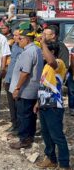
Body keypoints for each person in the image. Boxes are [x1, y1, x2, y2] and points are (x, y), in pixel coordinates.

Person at [34, 41, 70, 169]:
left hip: (54, 106)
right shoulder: (46, 67)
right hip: (44, 105)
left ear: (52, 52)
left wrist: (43, 43)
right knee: (46, 134)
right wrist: (37, 102)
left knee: (57, 136)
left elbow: (52, 62)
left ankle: (64, 164)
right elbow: (43, 86)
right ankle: (51, 159)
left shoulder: (59, 63)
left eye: (44, 51)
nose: (42, 53)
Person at [9, 23, 44, 149]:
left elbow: (25, 73)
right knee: (30, 114)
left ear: (26, 39)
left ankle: (24, 139)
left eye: (20, 38)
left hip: (25, 90)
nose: (18, 41)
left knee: (23, 115)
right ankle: (29, 136)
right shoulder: (37, 49)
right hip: (32, 89)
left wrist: (17, 88)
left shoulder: (28, 52)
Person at [4, 29, 23, 133]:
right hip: (9, 78)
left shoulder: (24, 49)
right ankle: (14, 123)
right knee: (11, 104)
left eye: (17, 35)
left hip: (18, 80)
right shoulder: (14, 46)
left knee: (18, 104)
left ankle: (20, 126)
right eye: (14, 35)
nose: (15, 37)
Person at [67, 49, 74, 116]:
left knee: (71, 91)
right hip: (72, 73)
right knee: (71, 91)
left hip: (72, 73)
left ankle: (72, 108)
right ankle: (72, 108)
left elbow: (72, 61)